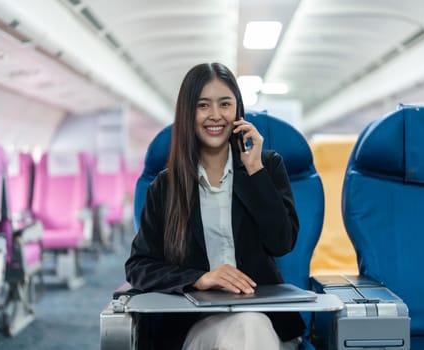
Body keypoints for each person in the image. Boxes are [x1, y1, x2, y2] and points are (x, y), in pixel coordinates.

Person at [125, 62, 304, 349]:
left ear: (238, 110)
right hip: (194, 327)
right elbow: (139, 266)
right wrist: (200, 279)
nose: (215, 115)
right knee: (248, 331)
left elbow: (281, 242)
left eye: (225, 104)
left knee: (250, 326)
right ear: (188, 113)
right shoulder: (166, 186)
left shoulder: (267, 167)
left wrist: (255, 171)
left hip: (261, 321)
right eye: (203, 105)